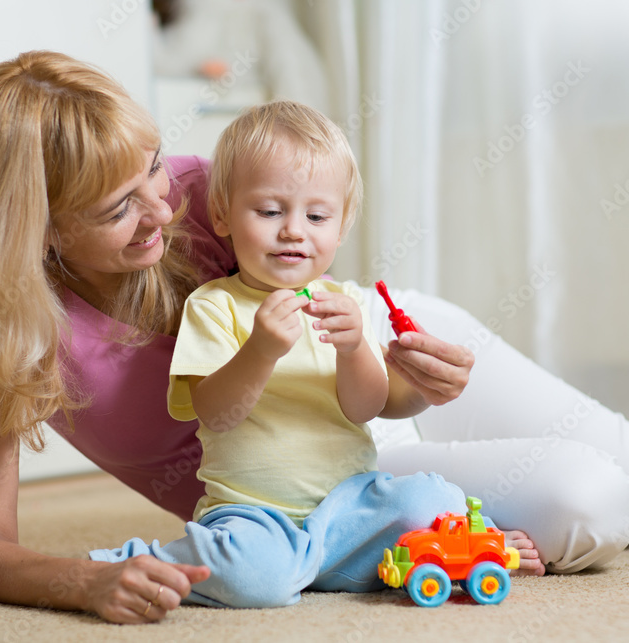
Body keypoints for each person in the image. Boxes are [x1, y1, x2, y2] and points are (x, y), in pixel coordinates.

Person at [0, 50, 629, 625]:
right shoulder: (3, 336)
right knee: (593, 502)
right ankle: (620, 468)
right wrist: (84, 582)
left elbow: (322, 259)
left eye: (150, 169)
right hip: (306, 492)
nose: (163, 209)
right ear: (39, 233)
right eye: (117, 209)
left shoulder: (204, 191)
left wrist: (410, 370)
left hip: (373, 371)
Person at [87, 100, 472, 608]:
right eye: (270, 211)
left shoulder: (345, 305)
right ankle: (138, 560)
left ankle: (316, 562)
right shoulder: (214, 305)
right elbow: (216, 413)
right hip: (252, 513)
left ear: (341, 226)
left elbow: (364, 408)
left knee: (435, 501)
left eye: (316, 216)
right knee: (253, 580)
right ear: (222, 215)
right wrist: (260, 351)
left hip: (348, 506)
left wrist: (356, 348)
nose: (293, 230)